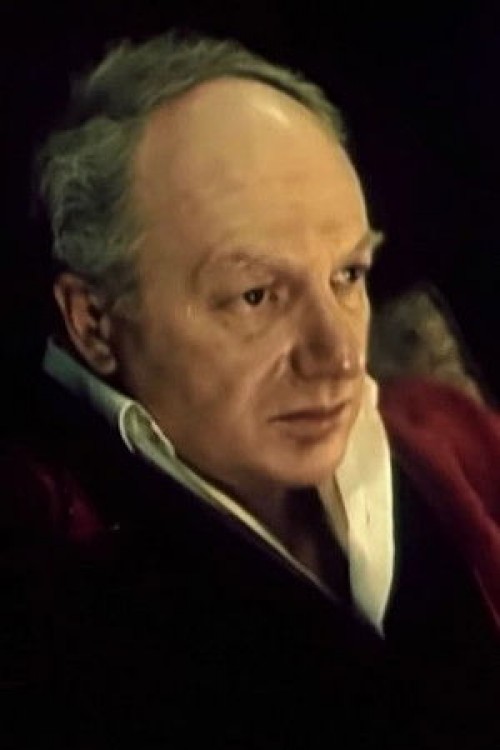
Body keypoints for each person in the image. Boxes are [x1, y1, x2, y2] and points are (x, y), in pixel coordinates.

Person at [1, 31, 498, 749]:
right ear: (94, 323)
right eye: (256, 295)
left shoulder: (449, 434)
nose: (340, 358)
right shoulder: (41, 583)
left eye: (348, 275)